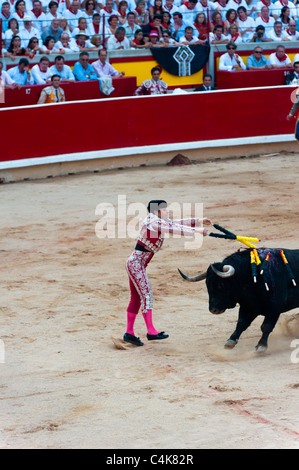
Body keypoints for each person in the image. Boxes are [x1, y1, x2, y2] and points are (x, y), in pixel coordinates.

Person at [123, 200, 211, 346]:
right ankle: (151, 331)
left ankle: (129, 333)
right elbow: (176, 230)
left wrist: (199, 221)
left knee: (136, 298)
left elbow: (176, 223)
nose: (167, 211)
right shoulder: (155, 222)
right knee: (146, 295)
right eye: (164, 210)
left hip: (136, 264)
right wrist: (198, 231)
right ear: (157, 212)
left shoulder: (157, 220)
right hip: (136, 264)